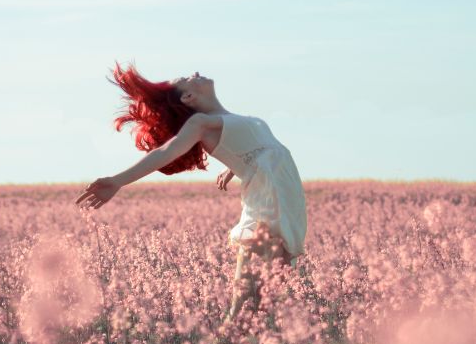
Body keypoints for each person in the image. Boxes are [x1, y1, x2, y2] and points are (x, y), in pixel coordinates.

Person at [75, 61, 307, 322]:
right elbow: (167, 150)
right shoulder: (201, 123)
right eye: (186, 78)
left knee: (266, 310)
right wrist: (118, 180)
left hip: (287, 206)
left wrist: (236, 168)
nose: (195, 72)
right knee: (244, 313)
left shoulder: (232, 120)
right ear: (188, 97)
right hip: (268, 208)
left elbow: (260, 152)